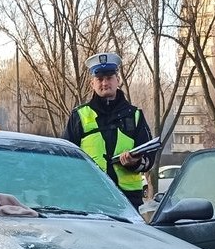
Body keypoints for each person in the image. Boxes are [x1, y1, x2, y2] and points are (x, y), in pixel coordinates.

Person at [63, 52, 156, 209]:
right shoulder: (80, 115)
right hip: (90, 199)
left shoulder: (134, 115)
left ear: (117, 80)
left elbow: (149, 158)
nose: (104, 83)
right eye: (99, 79)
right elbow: (67, 158)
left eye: (109, 78)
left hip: (128, 202)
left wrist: (135, 162)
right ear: (92, 83)